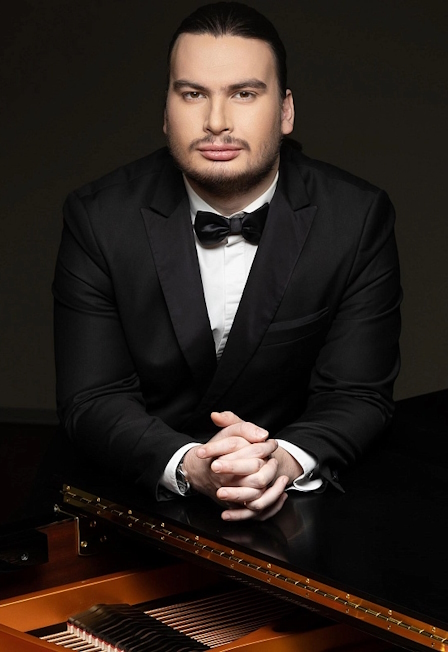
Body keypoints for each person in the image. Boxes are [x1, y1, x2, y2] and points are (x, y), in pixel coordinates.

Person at [53, 2, 401, 522]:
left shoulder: (356, 217)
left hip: (299, 509)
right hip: (133, 496)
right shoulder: (98, 217)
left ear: (285, 111)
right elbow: (93, 396)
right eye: (193, 94)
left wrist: (283, 462)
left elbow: (358, 393)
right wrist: (190, 465)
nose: (216, 122)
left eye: (244, 93)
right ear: (166, 110)